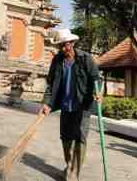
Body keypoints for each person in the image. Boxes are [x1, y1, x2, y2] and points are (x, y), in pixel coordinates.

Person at [39, 28, 102, 181]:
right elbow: (50, 83)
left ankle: (74, 173)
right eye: (60, 45)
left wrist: (99, 92)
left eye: (66, 44)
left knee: (80, 138)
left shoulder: (85, 58)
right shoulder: (57, 60)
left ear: (72, 43)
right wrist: (47, 103)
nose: (63, 48)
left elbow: (96, 79)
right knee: (66, 137)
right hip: (65, 105)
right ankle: (69, 166)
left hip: (83, 106)